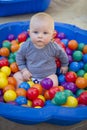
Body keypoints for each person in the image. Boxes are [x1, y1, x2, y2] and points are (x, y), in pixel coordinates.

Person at [14, 12, 69, 87]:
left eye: (45, 33)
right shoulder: (26, 46)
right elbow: (19, 57)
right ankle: (23, 92)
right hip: (29, 76)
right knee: (16, 76)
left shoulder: (54, 47)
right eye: (36, 32)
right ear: (29, 33)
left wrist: (64, 65)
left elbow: (62, 54)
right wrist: (24, 70)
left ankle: (43, 93)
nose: (40, 36)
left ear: (52, 35)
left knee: (54, 80)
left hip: (47, 78)